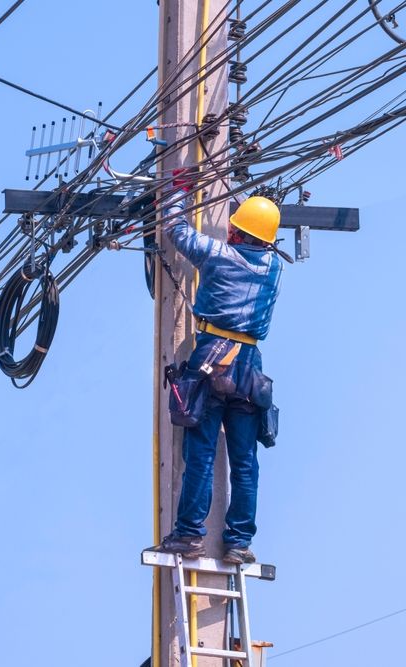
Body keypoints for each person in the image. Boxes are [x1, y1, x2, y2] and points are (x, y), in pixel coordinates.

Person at [157, 190, 284, 565]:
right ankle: (239, 542)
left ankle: (189, 535)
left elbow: (177, 231)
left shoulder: (219, 255)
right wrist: (229, 190)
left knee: (201, 454)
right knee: (245, 461)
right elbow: (252, 229)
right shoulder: (274, 267)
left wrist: (177, 194)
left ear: (238, 233)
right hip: (250, 367)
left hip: (213, 355)